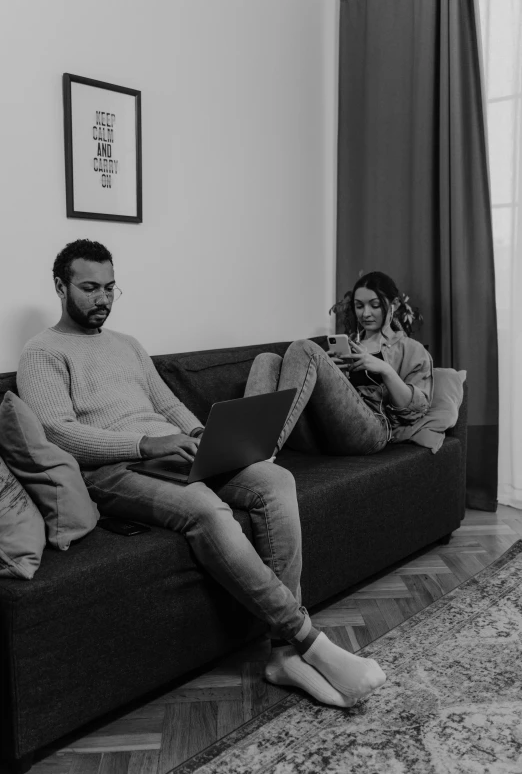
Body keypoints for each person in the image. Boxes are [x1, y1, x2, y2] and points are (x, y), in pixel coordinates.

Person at [17, 239, 386, 709]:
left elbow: (166, 403)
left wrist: (203, 434)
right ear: (59, 286)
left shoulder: (127, 345)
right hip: (111, 470)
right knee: (205, 507)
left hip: (174, 454)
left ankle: (280, 656)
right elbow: (59, 433)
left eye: (111, 288)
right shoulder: (42, 352)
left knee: (276, 481)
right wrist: (146, 443)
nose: (103, 299)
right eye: (90, 288)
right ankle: (309, 641)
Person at [244, 271, 433, 456]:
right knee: (267, 360)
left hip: (372, 430)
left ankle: (259, 452)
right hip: (322, 431)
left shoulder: (411, 349)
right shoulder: (348, 344)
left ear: (394, 305)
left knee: (303, 347)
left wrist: (386, 370)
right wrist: (328, 373)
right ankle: (244, 443)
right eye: (359, 306)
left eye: (374, 305)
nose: (365, 313)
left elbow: (415, 412)